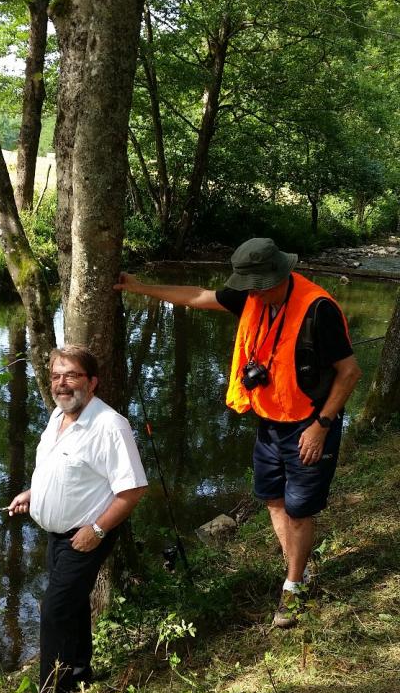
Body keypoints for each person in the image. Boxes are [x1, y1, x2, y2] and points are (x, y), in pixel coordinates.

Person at [115, 237, 361, 627]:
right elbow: (197, 295)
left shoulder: (318, 309)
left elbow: (349, 373)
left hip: (310, 423)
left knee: (299, 510)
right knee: (273, 499)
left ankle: (293, 589)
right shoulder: (251, 293)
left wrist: (321, 426)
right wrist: (138, 285)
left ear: (277, 277)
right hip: (270, 421)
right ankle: (298, 569)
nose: (250, 295)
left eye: (257, 288)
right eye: (247, 287)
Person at [9, 344, 148, 693]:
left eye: (71, 375)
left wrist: (97, 529)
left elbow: (133, 489)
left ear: (92, 381)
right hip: (56, 535)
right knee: (69, 606)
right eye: (56, 376)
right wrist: (32, 494)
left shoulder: (109, 426)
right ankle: (80, 671)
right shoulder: (58, 416)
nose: (61, 383)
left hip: (86, 535)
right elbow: (63, 471)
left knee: (53, 611)